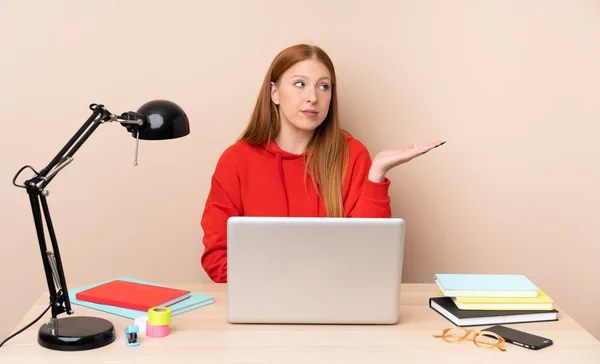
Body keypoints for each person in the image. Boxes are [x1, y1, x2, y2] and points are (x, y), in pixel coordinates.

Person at [200, 44, 444, 283]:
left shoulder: (353, 154)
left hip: (338, 302)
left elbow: (369, 255)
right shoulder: (236, 160)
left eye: (323, 87)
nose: (313, 98)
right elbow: (217, 259)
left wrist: (376, 173)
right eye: (299, 84)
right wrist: (284, 285)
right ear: (274, 93)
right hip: (261, 303)